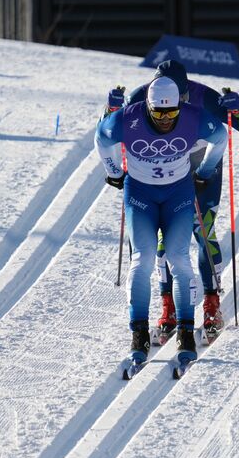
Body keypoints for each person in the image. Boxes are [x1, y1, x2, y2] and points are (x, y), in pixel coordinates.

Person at [108, 60, 239, 344]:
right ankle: (169, 308)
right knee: (164, 242)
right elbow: (107, 131)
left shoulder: (208, 98)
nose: (169, 113)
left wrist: (238, 110)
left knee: (204, 233)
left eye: (180, 100)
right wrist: (111, 109)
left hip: (201, 174)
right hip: (160, 178)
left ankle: (212, 304)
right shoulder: (139, 98)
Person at [96, 77, 228, 373]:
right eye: (159, 113)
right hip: (140, 195)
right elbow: (102, 136)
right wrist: (114, 172)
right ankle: (139, 335)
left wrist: (205, 170)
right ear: (149, 107)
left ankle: (185, 335)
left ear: (180, 106)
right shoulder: (129, 119)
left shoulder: (192, 116)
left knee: (179, 259)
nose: (166, 120)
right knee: (142, 260)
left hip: (178, 194)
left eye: (172, 113)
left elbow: (220, 136)